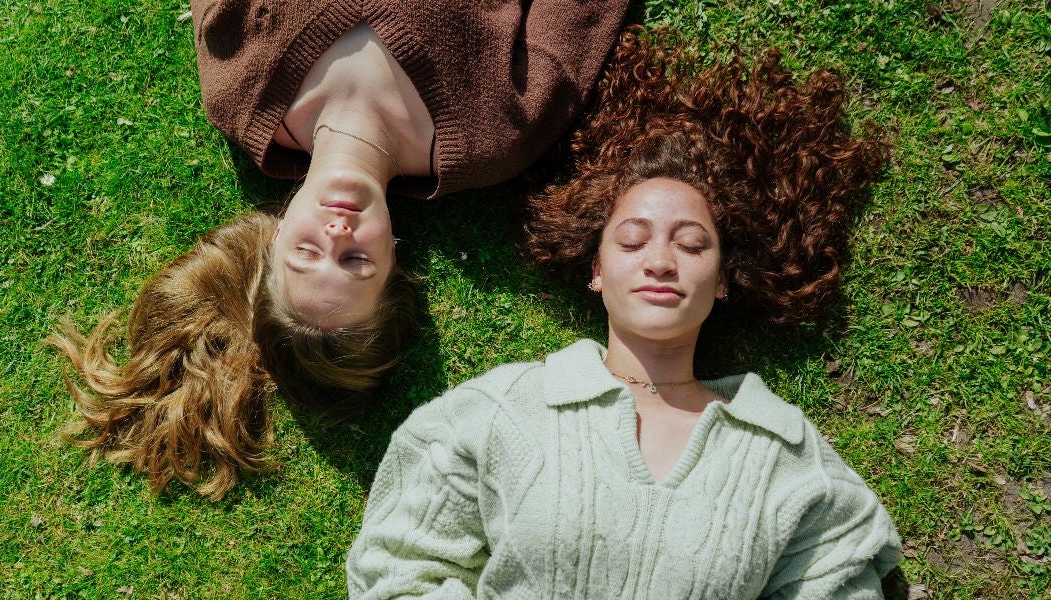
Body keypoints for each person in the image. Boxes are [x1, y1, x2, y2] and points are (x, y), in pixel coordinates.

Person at [346, 28, 900, 597]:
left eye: (691, 245)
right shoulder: (501, 414)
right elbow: (396, 565)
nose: (660, 261)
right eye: (632, 242)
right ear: (595, 270)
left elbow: (840, 579)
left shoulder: (782, 453)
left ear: (725, 279)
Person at [49, 1, 630, 500]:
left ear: (274, 238)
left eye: (306, 253)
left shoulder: (240, 90)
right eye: (356, 263)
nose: (336, 232)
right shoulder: (497, 134)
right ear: (394, 260)